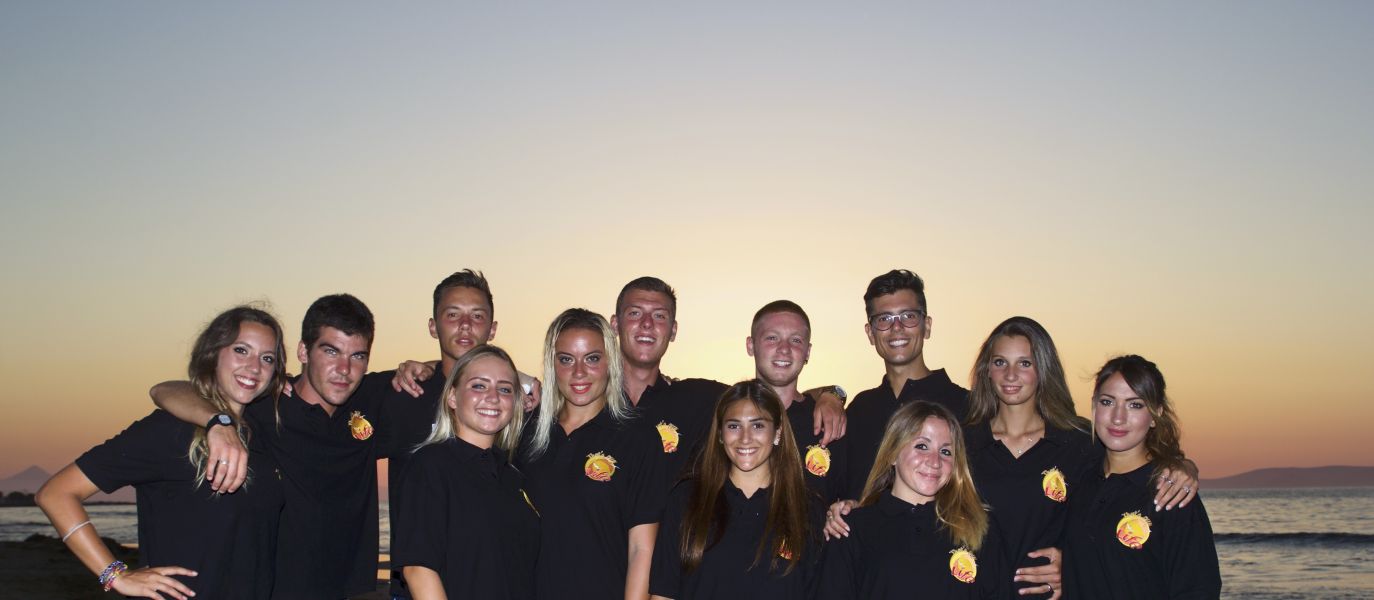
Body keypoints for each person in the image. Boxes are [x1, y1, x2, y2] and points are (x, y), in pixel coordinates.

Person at [36, 306, 287, 599]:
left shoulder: (264, 434)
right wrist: (115, 575)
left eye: (267, 358)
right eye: (241, 350)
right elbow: (56, 494)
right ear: (213, 354)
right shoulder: (170, 430)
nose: (254, 367)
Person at [152, 294, 383, 599]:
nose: (344, 369)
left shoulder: (374, 397)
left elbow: (443, 376)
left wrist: (417, 367)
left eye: (358, 356)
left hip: (350, 593)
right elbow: (165, 390)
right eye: (331, 351)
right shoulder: (263, 404)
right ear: (303, 351)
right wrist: (218, 423)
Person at [610, 277, 847, 485]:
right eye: (635, 313)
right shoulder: (592, 402)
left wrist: (832, 394)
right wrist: (832, 394)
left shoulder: (699, 398)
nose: (647, 324)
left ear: (673, 331)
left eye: (659, 316)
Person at [516, 308, 666, 600]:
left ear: (610, 362)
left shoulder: (638, 439)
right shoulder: (525, 435)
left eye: (592, 358)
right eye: (566, 359)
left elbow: (642, 549)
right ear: (551, 364)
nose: (579, 372)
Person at [1062, 355, 1221, 598]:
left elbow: (1198, 589)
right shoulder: (1078, 478)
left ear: (1156, 414)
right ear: (1094, 406)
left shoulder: (1170, 493)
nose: (1118, 417)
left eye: (1135, 405)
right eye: (1107, 402)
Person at [817, 400, 1008, 599]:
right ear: (892, 454)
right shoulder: (850, 529)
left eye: (945, 451)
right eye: (922, 446)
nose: (935, 462)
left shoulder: (980, 529)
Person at [650, 380, 821, 600]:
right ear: (720, 434)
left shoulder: (807, 510)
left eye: (758, 426)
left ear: (777, 432)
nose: (745, 438)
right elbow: (663, 594)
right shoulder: (687, 500)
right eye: (734, 426)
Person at [392, 344, 539, 600]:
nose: (493, 397)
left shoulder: (513, 477)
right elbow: (418, 569)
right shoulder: (431, 465)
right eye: (479, 386)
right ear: (452, 397)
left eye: (505, 389)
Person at [841, 270, 968, 501]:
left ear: (926, 326)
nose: (897, 327)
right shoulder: (861, 409)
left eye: (908, 316)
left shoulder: (966, 406)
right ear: (870, 333)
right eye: (884, 319)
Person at [745, 300, 849, 504]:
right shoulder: (723, 415)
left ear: (808, 352)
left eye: (795, 340)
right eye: (772, 338)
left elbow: (849, 501)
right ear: (751, 346)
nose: (784, 349)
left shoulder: (830, 424)